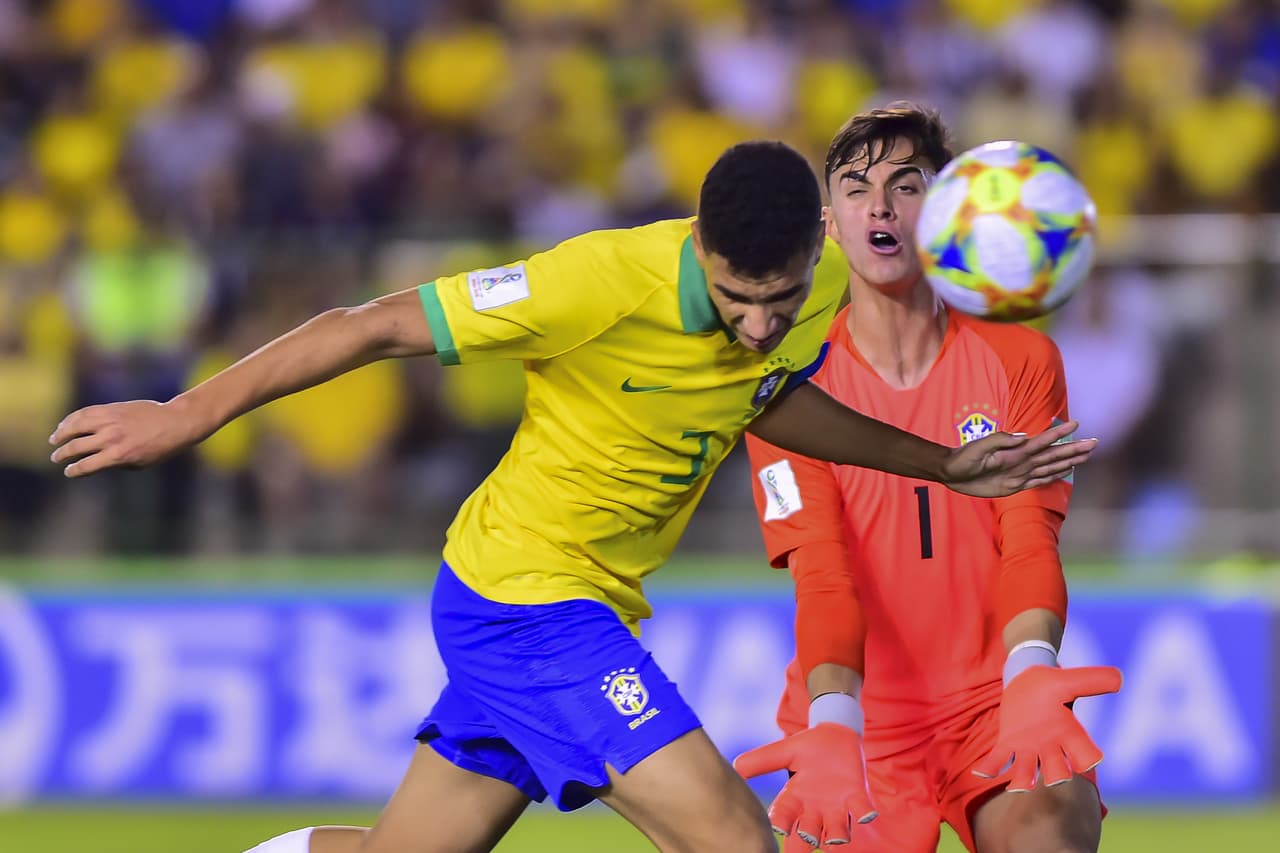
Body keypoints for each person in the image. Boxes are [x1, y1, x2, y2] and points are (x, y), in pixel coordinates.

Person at [49, 140, 1094, 853]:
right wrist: (186, 414)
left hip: (567, 600)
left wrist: (939, 463)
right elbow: (364, 323)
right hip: (528, 605)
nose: (761, 324)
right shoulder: (591, 283)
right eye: (737, 301)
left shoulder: (816, 286)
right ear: (699, 249)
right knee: (732, 837)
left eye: (779, 301)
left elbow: (764, 400)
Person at [735, 107, 1120, 853]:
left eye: (906, 186)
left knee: (1050, 833)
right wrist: (834, 728)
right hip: (858, 720)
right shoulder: (786, 385)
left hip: (993, 703)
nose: (879, 204)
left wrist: (1033, 671)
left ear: (946, 214)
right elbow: (823, 576)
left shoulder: (1020, 359)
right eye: (856, 187)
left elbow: (1027, 538)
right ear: (829, 227)